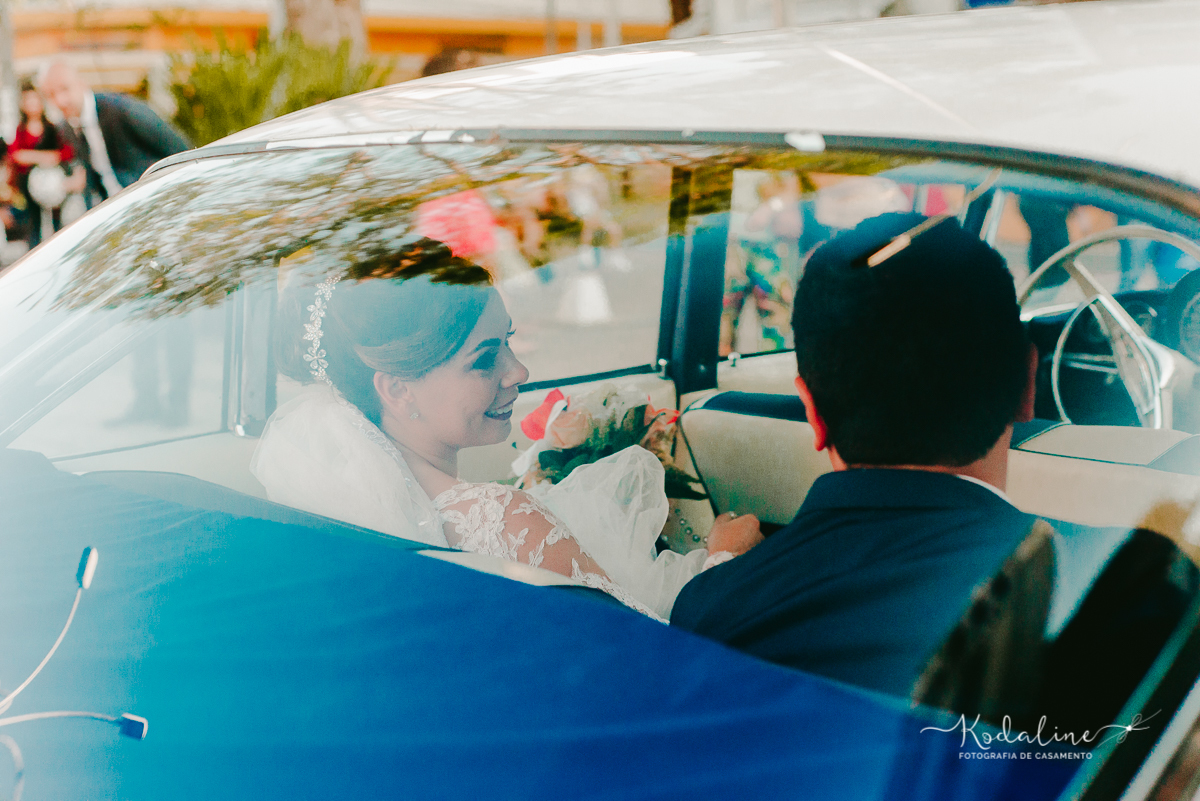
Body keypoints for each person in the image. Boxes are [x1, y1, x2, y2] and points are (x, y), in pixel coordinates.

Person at [251, 239, 762, 619]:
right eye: (484, 359)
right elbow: (649, 653)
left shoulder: (334, 513)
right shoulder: (502, 521)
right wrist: (725, 559)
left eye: (509, 342)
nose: (518, 371)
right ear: (397, 390)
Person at [670, 212, 1046, 694]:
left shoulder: (709, 608)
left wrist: (726, 569)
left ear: (813, 412)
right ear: (1028, 384)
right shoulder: (1105, 586)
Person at [38, 59, 189, 207]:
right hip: (115, 209)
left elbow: (179, 150)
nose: (60, 100)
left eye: (64, 89)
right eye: (51, 95)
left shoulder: (122, 109)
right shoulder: (67, 127)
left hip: (151, 203)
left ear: (81, 83)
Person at [8, 78, 82, 247]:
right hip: (29, 185)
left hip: (54, 182)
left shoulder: (52, 128)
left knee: (57, 224)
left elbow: (67, 152)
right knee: (33, 225)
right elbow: (15, 155)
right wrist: (43, 157)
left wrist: (34, 156)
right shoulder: (20, 130)